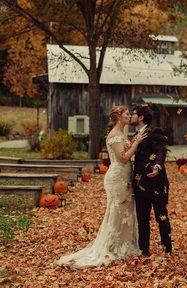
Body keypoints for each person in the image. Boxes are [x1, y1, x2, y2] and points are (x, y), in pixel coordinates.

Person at [58, 105, 147, 268]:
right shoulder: (114, 135)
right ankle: (111, 247)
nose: (129, 116)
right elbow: (123, 158)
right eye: (127, 114)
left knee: (125, 211)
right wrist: (136, 144)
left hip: (125, 177)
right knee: (116, 211)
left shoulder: (122, 134)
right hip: (117, 178)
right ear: (119, 117)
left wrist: (133, 142)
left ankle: (124, 245)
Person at [131, 105, 172, 256]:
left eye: (134, 114)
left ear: (141, 117)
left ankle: (167, 248)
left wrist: (157, 166)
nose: (131, 116)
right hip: (139, 183)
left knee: (161, 216)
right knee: (142, 218)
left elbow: (161, 150)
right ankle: (144, 250)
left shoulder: (154, 131)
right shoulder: (135, 134)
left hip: (156, 182)